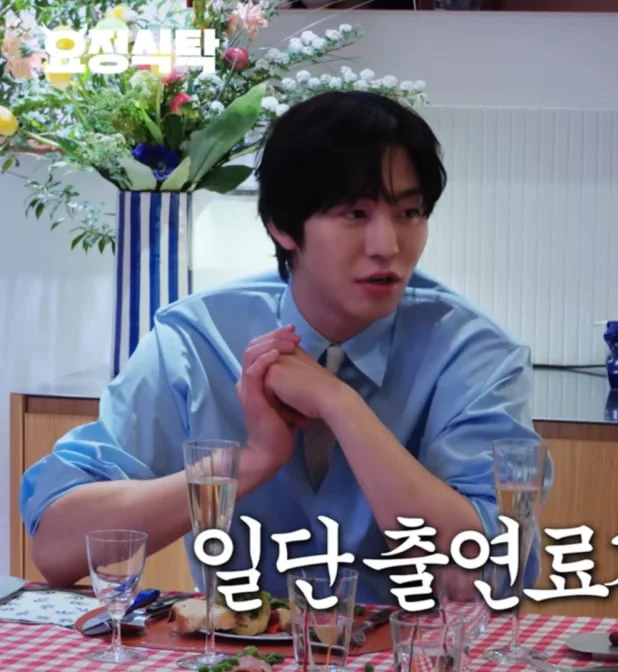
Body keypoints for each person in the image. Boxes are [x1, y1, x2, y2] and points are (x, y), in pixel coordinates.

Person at [19, 90, 553, 603]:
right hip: (239, 647)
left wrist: (341, 406)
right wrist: (247, 464)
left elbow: (486, 571)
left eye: (409, 213)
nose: (388, 245)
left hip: (415, 649)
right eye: (354, 214)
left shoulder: (472, 353)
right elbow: (58, 548)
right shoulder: (198, 341)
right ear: (283, 227)